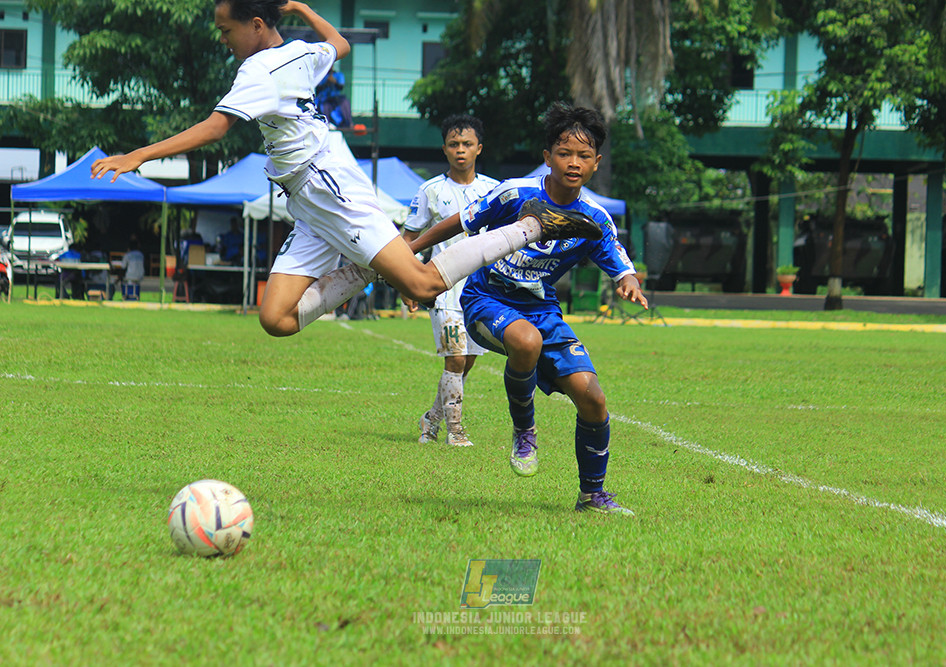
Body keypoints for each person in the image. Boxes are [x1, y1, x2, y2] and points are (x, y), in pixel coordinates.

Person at [92, 0, 601, 340]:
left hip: (327, 185)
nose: (223, 39)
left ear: (256, 24)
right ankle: (366, 266)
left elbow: (215, 128)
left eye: (227, 30)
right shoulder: (299, 53)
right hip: (308, 200)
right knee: (276, 319)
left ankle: (531, 225)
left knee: (423, 286)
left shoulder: (257, 69)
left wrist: (137, 156)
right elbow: (340, 44)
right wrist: (301, 10)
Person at [408, 103, 647, 517]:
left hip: (542, 309)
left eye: (584, 156)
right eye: (565, 153)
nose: (574, 163)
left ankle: (591, 496)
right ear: (547, 157)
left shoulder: (593, 218)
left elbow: (619, 261)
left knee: (593, 399)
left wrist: (628, 281)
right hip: (486, 298)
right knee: (526, 341)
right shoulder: (516, 193)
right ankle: (524, 429)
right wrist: (409, 253)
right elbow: (461, 221)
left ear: (596, 163)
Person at [401, 115, 499, 448]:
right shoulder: (430, 191)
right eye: (454, 144)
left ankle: (431, 419)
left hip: (482, 290)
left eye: (467, 144)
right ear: (444, 149)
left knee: (466, 361)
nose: (460, 150)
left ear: (479, 148)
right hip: (442, 286)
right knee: (455, 358)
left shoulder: (493, 190)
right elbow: (409, 239)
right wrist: (406, 282)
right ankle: (455, 431)